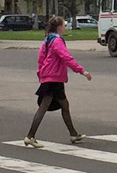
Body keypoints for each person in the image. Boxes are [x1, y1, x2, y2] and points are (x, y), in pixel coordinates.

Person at [24, 16, 92, 147]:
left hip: (50, 77)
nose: (65, 27)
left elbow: (41, 59)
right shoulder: (57, 41)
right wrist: (81, 71)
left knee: (64, 105)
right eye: (64, 25)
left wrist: (41, 74)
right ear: (59, 27)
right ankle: (30, 136)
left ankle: (73, 133)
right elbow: (66, 57)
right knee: (44, 107)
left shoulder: (47, 40)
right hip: (53, 78)